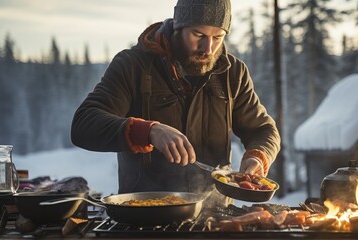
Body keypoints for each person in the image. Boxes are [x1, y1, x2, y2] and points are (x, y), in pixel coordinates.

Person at [71, 0, 280, 205]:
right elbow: (83, 124)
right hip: (144, 214)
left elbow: (263, 130)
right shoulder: (132, 65)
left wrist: (257, 156)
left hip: (215, 215)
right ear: (178, 25)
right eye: (198, 35)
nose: (208, 49)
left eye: (218, 37)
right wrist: (149, 131)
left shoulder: (233, 73)